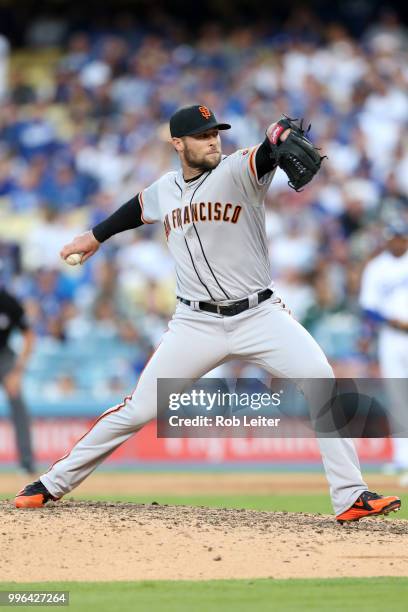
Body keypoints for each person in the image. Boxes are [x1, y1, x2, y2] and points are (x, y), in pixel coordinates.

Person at [15, 104, 400, 523]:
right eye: (201, 135)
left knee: (321, 381)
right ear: (178, 143)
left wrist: (275, 139)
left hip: (259, 314)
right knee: (138, 409)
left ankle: (351, 495)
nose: (212, 139)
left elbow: (266, 154)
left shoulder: (238, 170)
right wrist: (94, 236)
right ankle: (52, 483)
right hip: (194, 323)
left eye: (215, 132)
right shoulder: (165, 188)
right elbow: (136, 207)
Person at [360, 223, 408, 483]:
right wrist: (392, 321)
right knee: (398, 396)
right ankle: (402, 457)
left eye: (402, 238)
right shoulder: (377, 266)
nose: (399, 242)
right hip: (391, 337)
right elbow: (368, 307)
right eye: (394, 238)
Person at [0, 285, 36, 473]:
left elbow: (29, 336)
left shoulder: (9, 302)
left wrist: (17, 371)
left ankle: (26, 461)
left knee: (18, 403)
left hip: (4, 356)